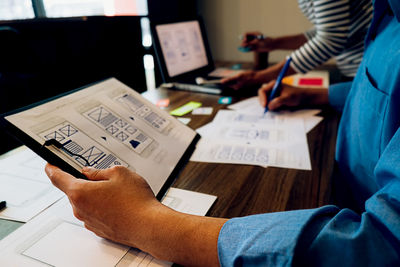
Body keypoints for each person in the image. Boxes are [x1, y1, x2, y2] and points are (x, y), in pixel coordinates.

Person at [45, 0, 400, 265]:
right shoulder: (387, 15)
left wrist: (144, 223)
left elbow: (379, 246)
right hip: (346, 184)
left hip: (350, 207)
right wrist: (321, 94)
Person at [223, 0, 373, 90]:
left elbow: (330, 39)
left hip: (367, 74)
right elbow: (331, 28)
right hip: (359, 70)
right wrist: (273, 43)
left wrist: (259, 77)